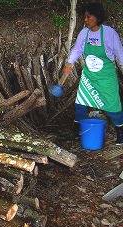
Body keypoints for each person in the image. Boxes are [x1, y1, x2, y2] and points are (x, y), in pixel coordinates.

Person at [63, 2, 123, 145]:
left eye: (88, 17)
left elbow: (120, 54)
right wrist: (69, 63)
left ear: (98, 17)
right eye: (84, 17)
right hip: (89, 76)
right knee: (80, 103)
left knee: (113, 106)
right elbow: (77, 49)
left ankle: (120, 133)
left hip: (106, 78)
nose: (85, 20)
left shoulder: (109, 33)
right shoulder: (84, 32)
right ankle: (79, 132)